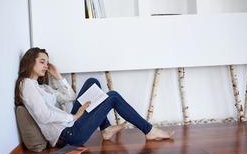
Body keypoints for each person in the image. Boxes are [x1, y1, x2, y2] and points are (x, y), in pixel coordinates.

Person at [15, 47, 174, 148]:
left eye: (46, 63)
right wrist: (74, 116)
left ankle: (105, 129)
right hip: (68, 135)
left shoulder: (42, 87)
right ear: (30, 62)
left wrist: (58, 76)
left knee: (92, 83)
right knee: (112, 97)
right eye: (42, 62)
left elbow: (70, 96)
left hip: (69, 124)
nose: (45, 66)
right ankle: (149, 130)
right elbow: (43, 116)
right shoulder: (27, 85)